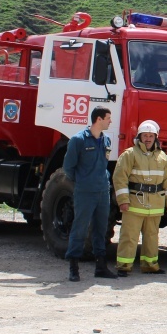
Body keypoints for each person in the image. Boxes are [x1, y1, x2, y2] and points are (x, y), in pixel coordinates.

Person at [62, 106, 119, 281]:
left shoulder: (106, 140)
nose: (110, 121)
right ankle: (74, 267)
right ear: (99, 119)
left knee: (101, 229)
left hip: (102, 191)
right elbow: (68, 167)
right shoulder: (78, 140)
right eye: (108, 118)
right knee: (79, 228)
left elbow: (104, 164)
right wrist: (83, 181)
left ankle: (100, 267)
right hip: (85, 192)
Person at [113, 120, 167, 274]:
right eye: (145, 136)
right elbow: (119, 178)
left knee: (152, 237)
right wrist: (123, 201)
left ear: (156, 137)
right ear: (139, 137)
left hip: (155, 204)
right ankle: (123, 267)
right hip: (135, 202)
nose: (148, 138)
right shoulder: (129, 154)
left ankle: (150, 266)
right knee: (129, 236)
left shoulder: (162, 157)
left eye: (151, 136)